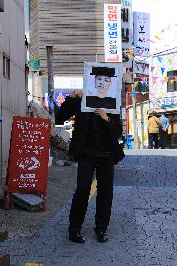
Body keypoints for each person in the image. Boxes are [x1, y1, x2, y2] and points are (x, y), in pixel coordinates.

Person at [56, 89, 125, 244]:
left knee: (105, 192)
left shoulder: (110, 102)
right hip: (86, 153)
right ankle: (74, 228)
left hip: (107, 155)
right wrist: (72, 98)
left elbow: (118, 131)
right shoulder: (82, 101)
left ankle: (101, 228)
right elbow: (60, 117)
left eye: (105, 81)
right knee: (82, 190)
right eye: (97, 80)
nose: (101, 84)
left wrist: (106, 118)